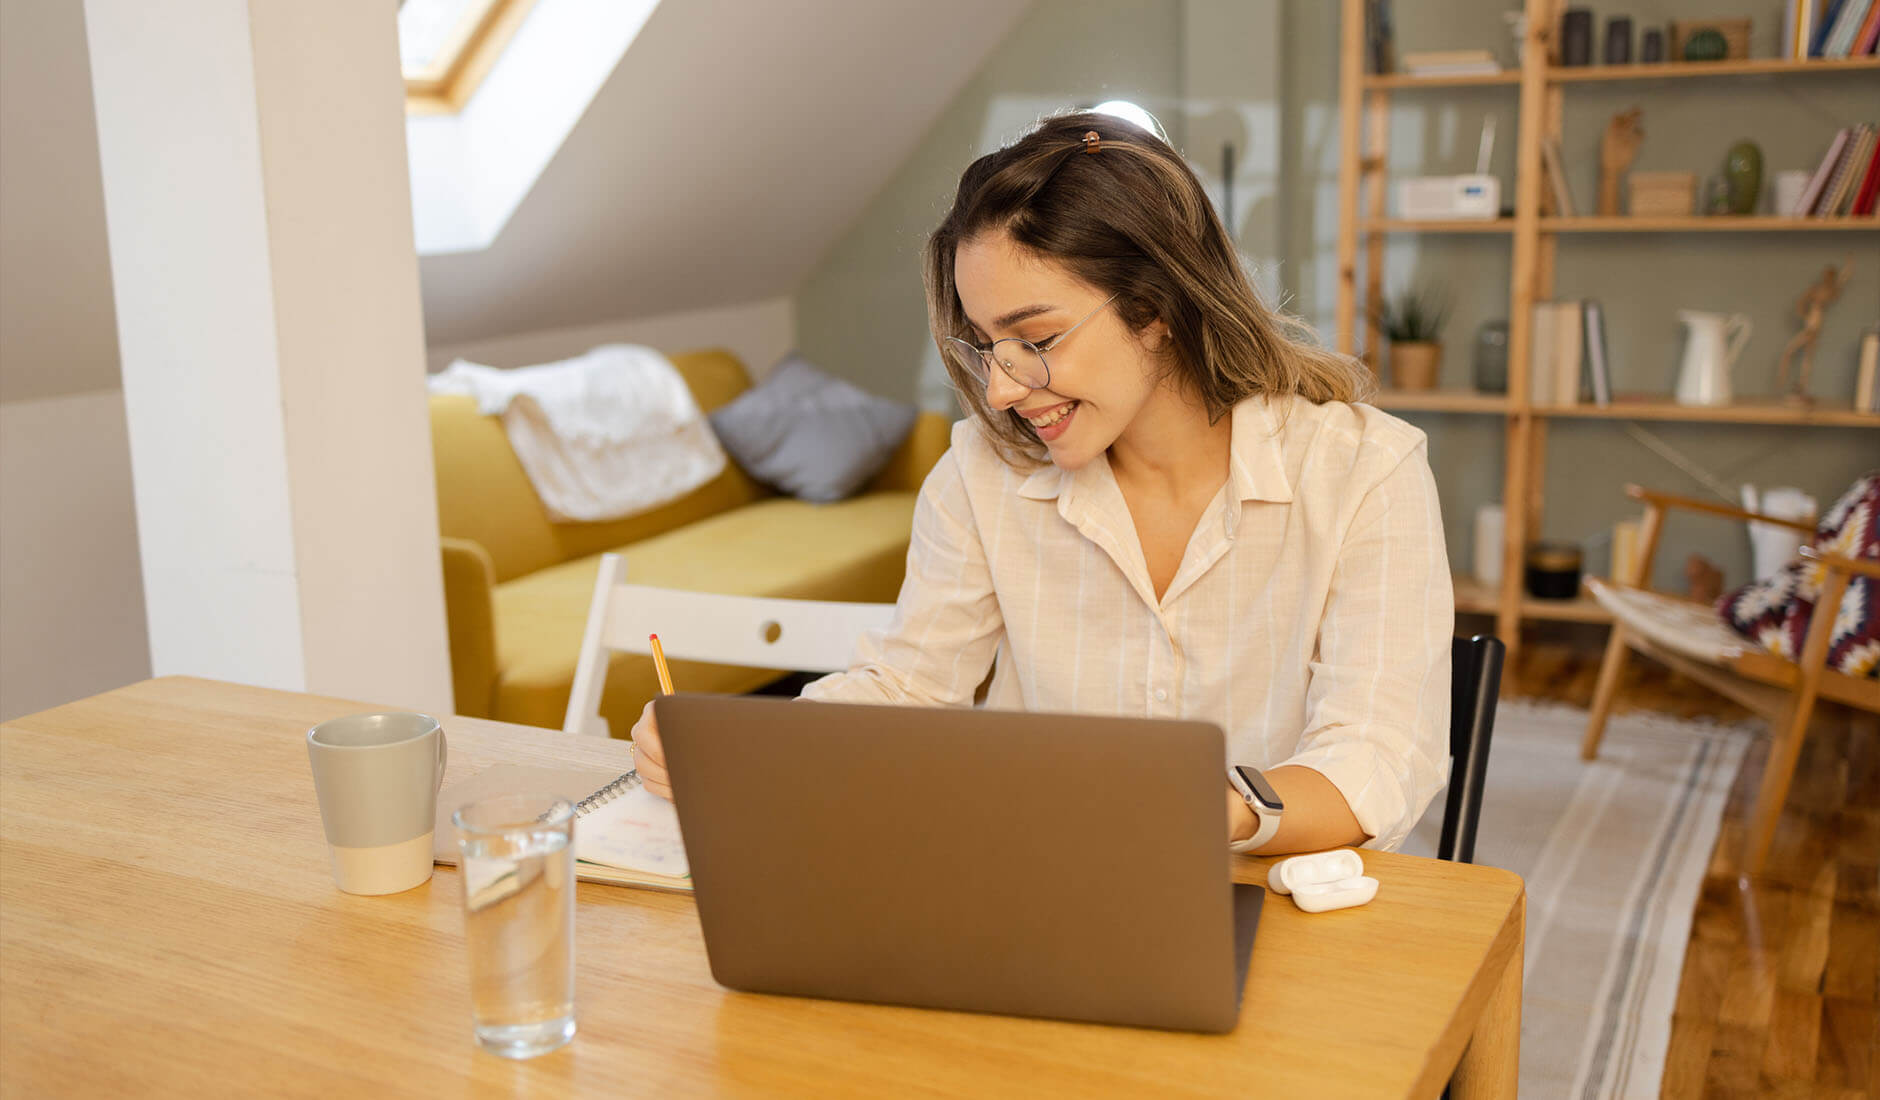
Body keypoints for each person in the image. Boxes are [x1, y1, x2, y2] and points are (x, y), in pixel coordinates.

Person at [632, 111, 1453, 855]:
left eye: (1036, 338)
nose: (1000, 391)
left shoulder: (1365, 473)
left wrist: (1220, 810)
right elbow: (912, 686)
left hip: (1281, 902)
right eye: (986, 347)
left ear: (1156, 304)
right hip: (1044, 890)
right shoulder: (981, 475)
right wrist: (735, 746)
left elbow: (1376, 753)